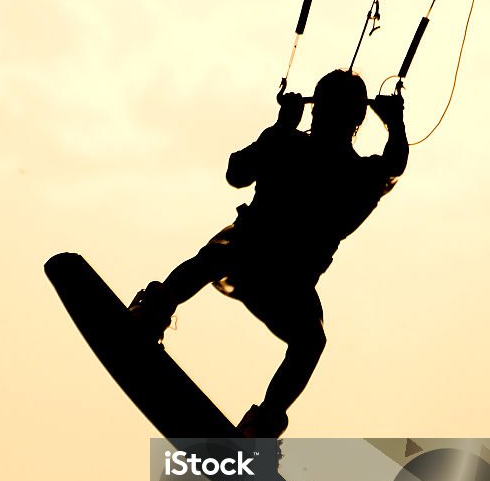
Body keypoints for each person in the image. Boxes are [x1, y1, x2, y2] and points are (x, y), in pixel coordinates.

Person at [129, 69, 408, 437]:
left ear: (316, 109)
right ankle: (152, 314)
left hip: (281, 278)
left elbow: (236, 173)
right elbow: (394, 163)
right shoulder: (341, 167)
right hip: (267, 267)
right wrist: (395, 123)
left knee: (308, 339)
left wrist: (280, 126)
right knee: (229, 262)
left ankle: (261, 423)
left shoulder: (302, 150)